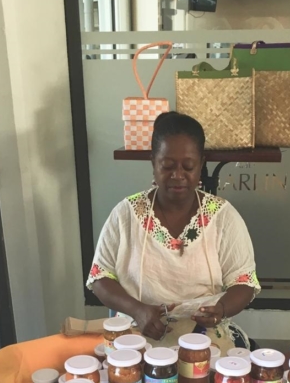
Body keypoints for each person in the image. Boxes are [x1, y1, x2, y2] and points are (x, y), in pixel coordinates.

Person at [87, 111, 260, 353]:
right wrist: (137, 310)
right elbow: (100, 277)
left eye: (188, 166)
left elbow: (244, 282)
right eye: (167, 166)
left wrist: (220, 309)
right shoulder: (126, 214)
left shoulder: (223, 216)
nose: (178, 175)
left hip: (203, 334)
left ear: (201, 164)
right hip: (137, 330)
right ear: (153, 163)